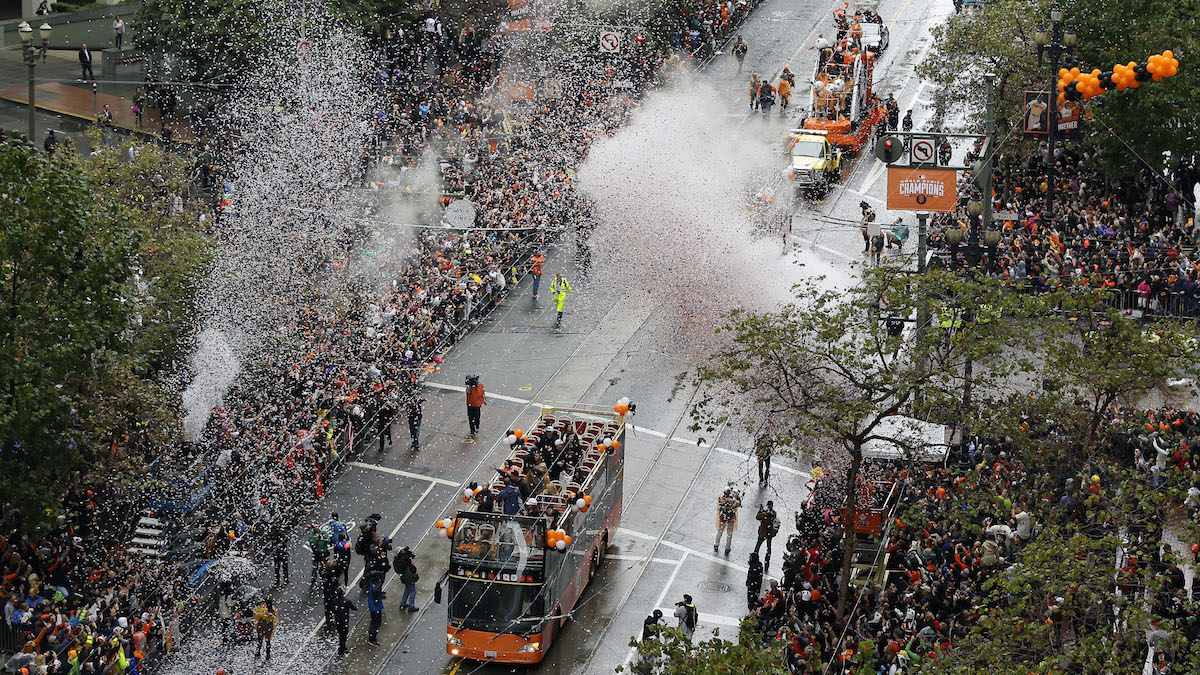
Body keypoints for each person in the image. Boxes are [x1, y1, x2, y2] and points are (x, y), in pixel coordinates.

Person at [714, 488, 741, 555]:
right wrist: (737, 497)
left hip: (722, 517)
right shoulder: (732, 501)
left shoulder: (721, 498)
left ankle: (716, 544)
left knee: (720, 532)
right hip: (730, 519)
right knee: (729, 534)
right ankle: (727, 548)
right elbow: (738, 504)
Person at [754, 501, 780, 568]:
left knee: (758, 546)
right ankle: (767, 562)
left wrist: (760, 511)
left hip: (763, 533)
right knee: (768, 548)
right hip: (769, 534)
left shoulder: (764, 513)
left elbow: (757, 517)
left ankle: (754, 558)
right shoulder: (774, 513)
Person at [332, 588, 357, 656]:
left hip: (338, 621)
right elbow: (353, 608)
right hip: (344, 621)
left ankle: (342, 646)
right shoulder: (347, 601)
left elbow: (333, 610)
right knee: (344, 635)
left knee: (341, 634)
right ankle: (341, 649)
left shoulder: (334, 601)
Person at [366, 581, 383, 646]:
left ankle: (372, 637)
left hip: (373, 607)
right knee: (376, 623)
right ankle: (372, 638)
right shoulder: (374, 588)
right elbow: (376, 591)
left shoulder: (370, 586)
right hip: (375, 607)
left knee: (374, 622)